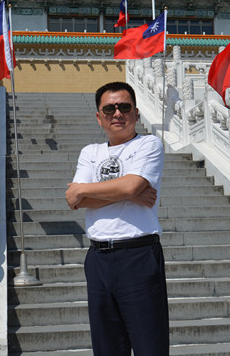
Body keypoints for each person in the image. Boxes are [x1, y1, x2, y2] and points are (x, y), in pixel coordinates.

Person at [65, 81, 169, 356]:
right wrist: (127, 193)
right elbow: (75, 199)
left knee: (150, 346)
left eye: (124, 107)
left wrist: (97, 190)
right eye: (109, 109)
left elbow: (130, 186)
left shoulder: (149, 144)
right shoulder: (91, 152)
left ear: (136, 113)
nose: (117, 114)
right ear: (99, 117)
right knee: (107, 347)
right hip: (98, 259)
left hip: (138, 256)